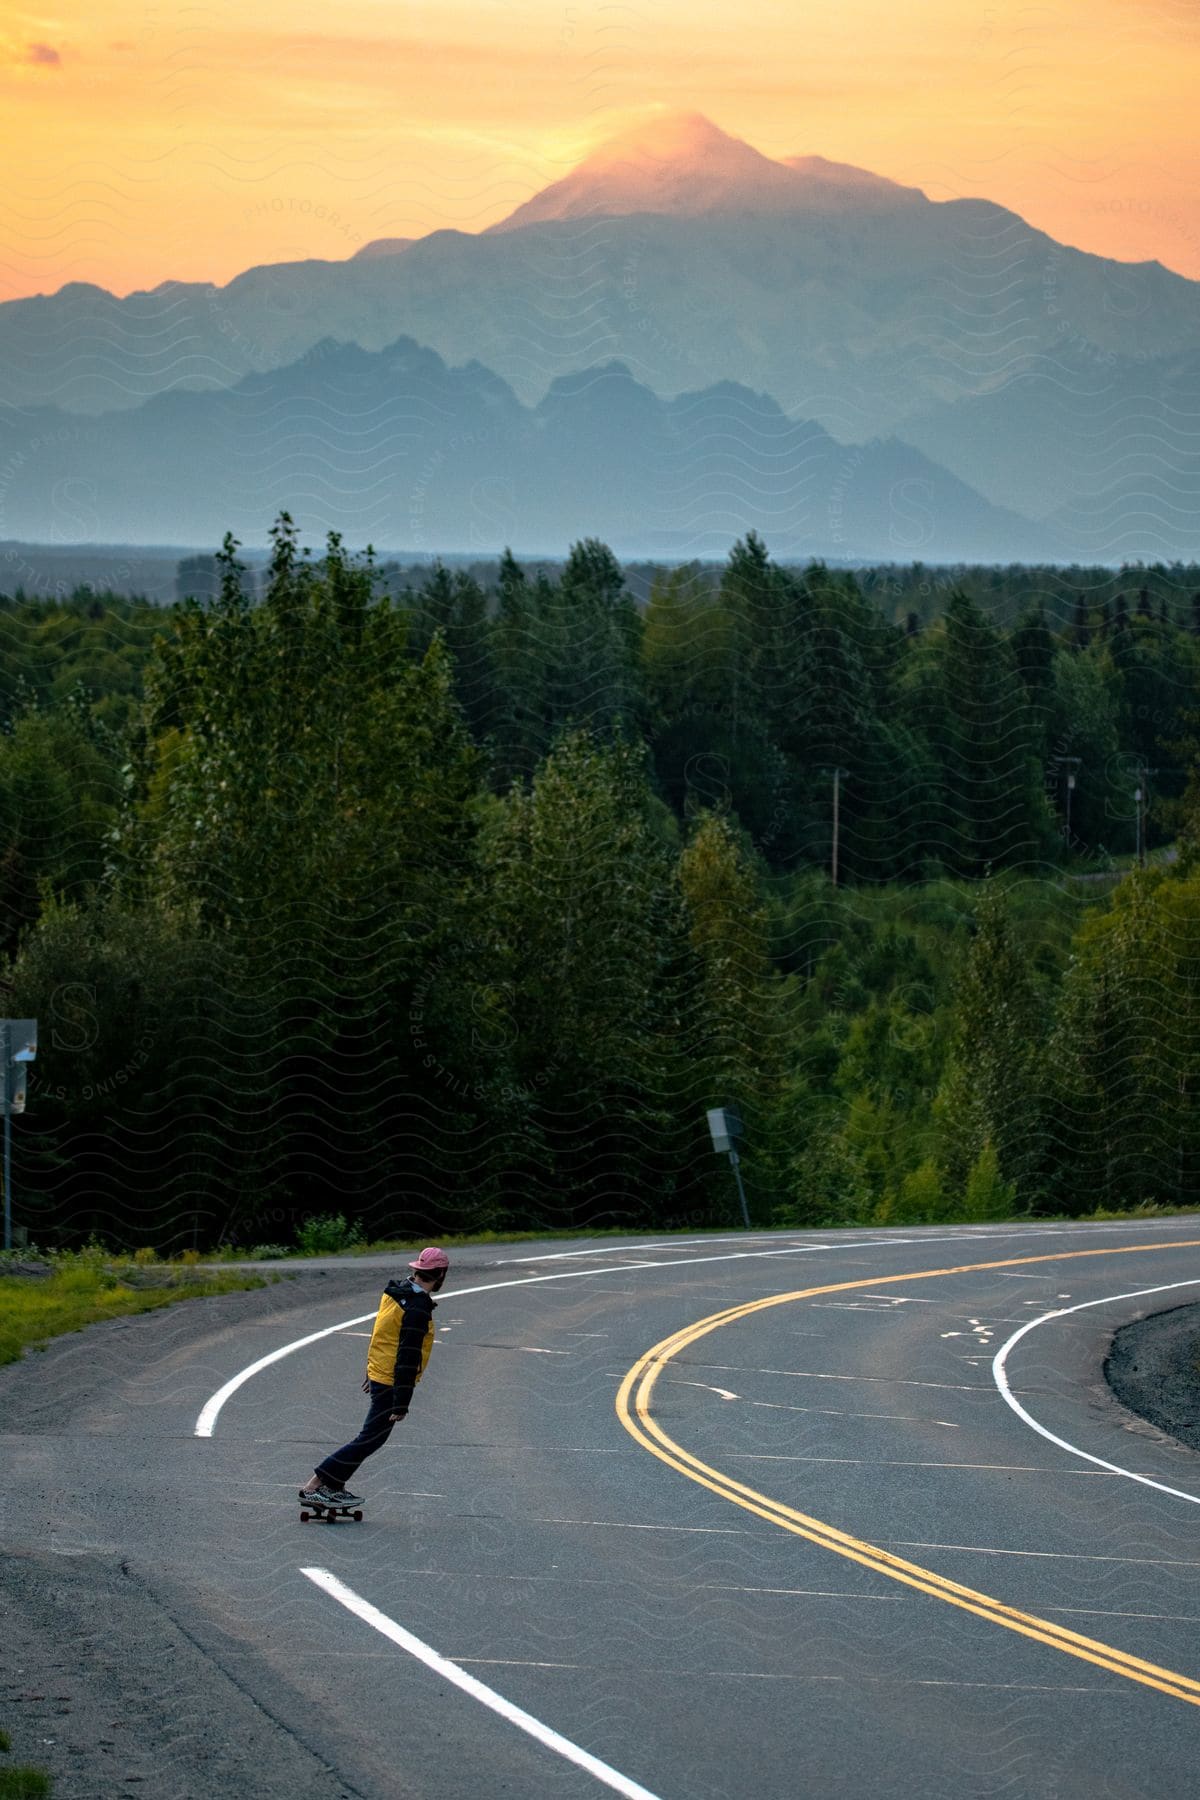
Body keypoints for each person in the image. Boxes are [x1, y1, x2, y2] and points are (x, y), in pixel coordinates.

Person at [299, 1246, 450, 1507]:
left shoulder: (396, 1292)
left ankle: (334, 1485)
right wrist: (402, 1400)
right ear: (440, 1274)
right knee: (370, 1437)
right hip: (392, 1380)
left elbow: (382, 1335)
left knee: (372, 1437)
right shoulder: (416, 1308)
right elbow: (407, 1355)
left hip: (381, 1372)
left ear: (416, 1270)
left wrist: (372, 1370)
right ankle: (316, 1485)